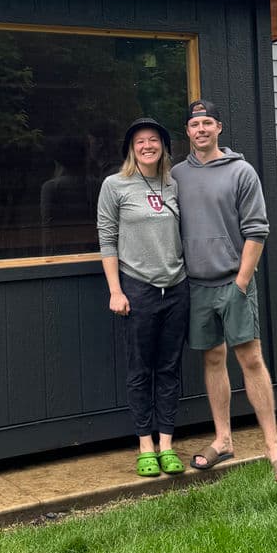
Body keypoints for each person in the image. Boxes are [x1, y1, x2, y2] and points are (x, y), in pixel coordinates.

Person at [171, 99, 277, 483]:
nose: (201, 129)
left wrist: (242, 282)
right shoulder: (176, 175)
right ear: (188, 132)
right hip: (196, 285)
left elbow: (257, 229)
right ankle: (223, 439)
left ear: (219, 128)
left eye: (208, 122)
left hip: (233, 282)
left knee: (251, 359)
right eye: (195, 124)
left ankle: (273, 447)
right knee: (212, 359)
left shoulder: (241, 172)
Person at [97, 118, 189, 477]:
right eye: (140, 141)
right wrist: (115, 290)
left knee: (169, 368)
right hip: (137, 288)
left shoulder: (174, 185)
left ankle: (166, 443)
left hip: (177, 287)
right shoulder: (115, 186)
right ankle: (145, 445)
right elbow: (107, 240)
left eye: (154, 140)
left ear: (164, 147)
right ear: (131, 149)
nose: (147, 146)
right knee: (140, 370)